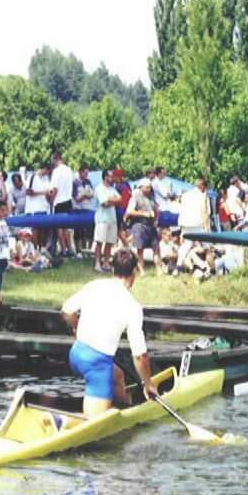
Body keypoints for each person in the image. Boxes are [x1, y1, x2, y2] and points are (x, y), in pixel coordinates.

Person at [60, 249, 157, 422]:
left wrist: (76, 327)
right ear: (134, 271)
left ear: (113, 269)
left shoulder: (95, 285)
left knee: (117, 376)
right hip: (96, 364)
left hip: (75, 354)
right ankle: (60, 421)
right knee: (93, 423)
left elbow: (66, 310)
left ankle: (123, 411)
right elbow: (140, 356)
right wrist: (148, 384)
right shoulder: (132, 306)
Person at [125, 180, 160, 274]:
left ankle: (159, 271)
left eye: (150, 187)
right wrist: (143, 213)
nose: (149, 189)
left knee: (156, 248)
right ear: (141, 187)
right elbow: (130, 211)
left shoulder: (151, 197)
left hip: (151, 225)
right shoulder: (135, 198)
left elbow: (156, 209)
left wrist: (156, 220)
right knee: (140, 249)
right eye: (147, 187)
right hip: (139, 225)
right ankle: (142, 271)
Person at [177, 175, 212, 269]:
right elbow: (206, 212)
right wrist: (207, 228)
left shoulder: (185, 195)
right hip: (197, 223)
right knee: (207, 246)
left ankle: (178, 267)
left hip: (185, 223)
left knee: (186, 245)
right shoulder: (203, 196)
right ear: (203, 187)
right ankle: (212, 269)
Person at [93, 168, 121, 273]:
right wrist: (112, 200)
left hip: (112, 218)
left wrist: (111, 200)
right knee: (99, 242)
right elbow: (104, 203)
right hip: (102, 219)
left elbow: (120, 200)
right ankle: (97, 264)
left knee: (109, 242)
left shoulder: (112, 189)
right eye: (110, 176)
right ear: (105, 177)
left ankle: (106, 263)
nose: (112, 178)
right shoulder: (99, 188)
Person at [49, 152, 75, 255]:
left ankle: (64, 250)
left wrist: (51, 199)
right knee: (67, 227)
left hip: (59, 201)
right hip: (68, 200)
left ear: (55, 159)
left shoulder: (56, 171)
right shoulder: (69, 170)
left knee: (59, 227)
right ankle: (70, 248)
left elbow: (55, 188)